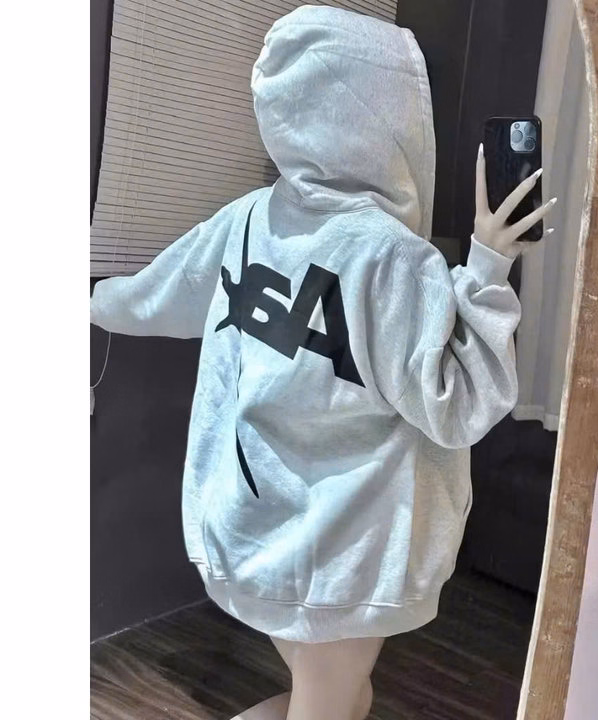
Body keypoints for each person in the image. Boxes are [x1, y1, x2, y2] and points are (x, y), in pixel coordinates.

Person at [90, 5, 556, 720]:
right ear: (386, 119)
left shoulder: (250, 220)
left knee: (336, 691)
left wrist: (91, 302)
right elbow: (460, 404)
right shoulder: (391, 259)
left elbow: (158, 296)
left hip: (253, 526)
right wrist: (489, 266)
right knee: (333, 695)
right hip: (348, 551)